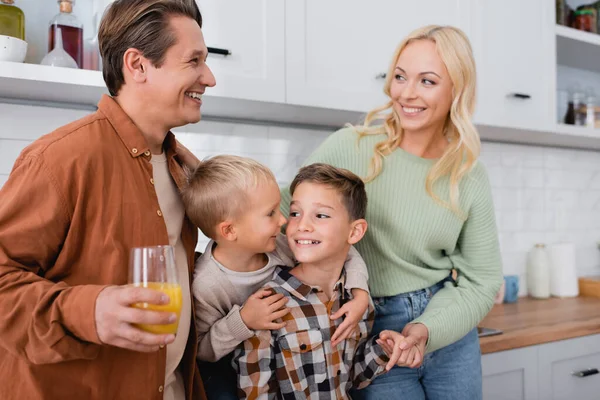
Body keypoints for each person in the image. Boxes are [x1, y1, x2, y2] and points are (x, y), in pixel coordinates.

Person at [0, 1, 215, 399]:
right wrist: (90, 311)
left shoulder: (180, 166)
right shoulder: (59, 160)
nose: (210, 78)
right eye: (194, 61)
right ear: (137, 66)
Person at [281, 25, 503, 400]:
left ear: (457, 90)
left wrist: (425, 329)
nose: (406, 93)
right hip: (374, 330)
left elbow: (482, 282)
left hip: (447, 327)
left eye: (427, 81)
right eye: (399, 77)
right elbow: (284, 218)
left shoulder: (467, 172)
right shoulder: (350, 147)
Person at [181, 155, 371, 400]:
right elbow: (202, 350)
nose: (283, 221)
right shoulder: (208, 283)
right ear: (230, 230)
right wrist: (244, 320)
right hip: (227, 368)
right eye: (271, 213)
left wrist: (360, 292)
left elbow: (344, 250)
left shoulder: (279, 246)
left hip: (282, 354)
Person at [234, 163, 413, 400]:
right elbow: (255, 393)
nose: (302, 225)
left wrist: (383, 350)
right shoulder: (269, 306)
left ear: (355, 232)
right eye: (295, 213)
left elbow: (352, 378)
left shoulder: (358, 302)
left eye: (320, 215)